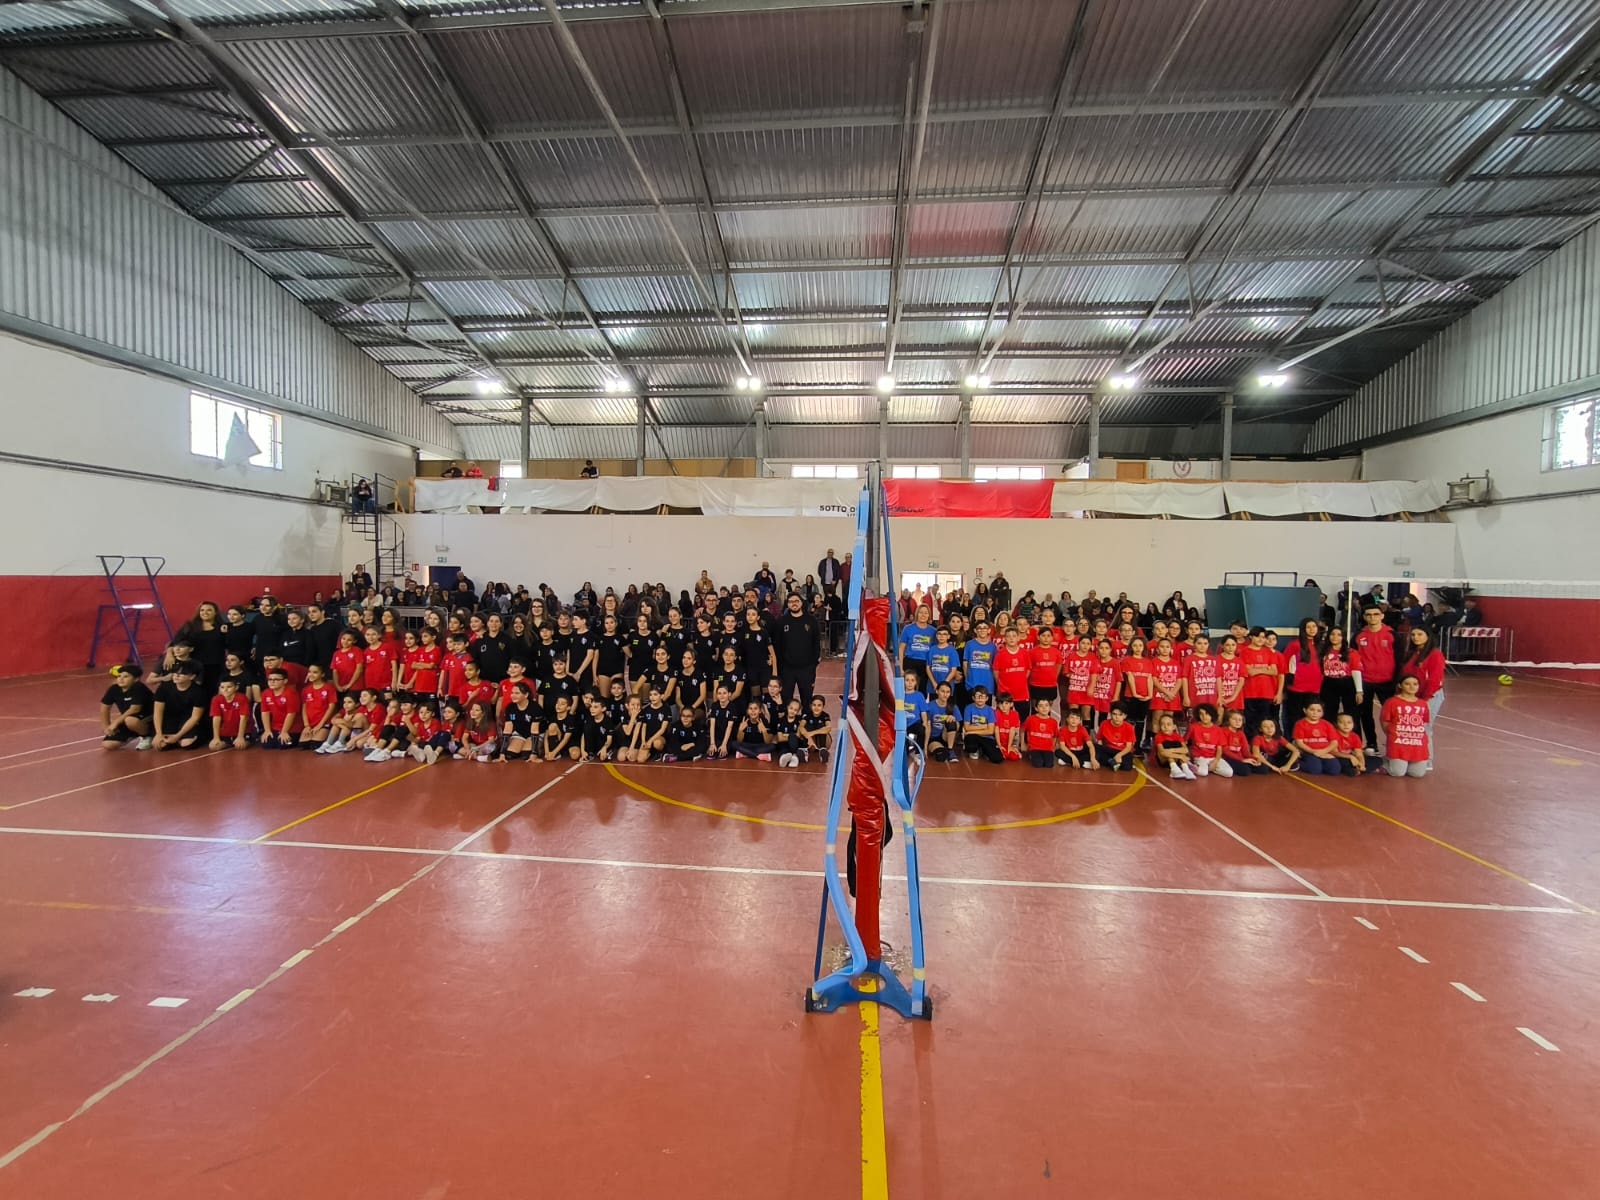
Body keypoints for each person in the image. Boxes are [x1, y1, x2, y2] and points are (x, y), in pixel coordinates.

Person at [1399, 628, 1446, 770]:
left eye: (1420, 634)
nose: (1415, 637)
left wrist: (1425, 700)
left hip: (1429, 697)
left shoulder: (1435, 655)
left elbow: (1435, 679)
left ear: (1428, 636)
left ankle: (1427, 761)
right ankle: (1412, 756)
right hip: (1411, 696)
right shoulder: (1412, 654)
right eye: (1413, 634)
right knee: (1411, 728)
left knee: (1424, 728)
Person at [1353, 604, 1398, 755]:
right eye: (1369, 615)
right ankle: (1371, 743)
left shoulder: (1392, 634)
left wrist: (1397, 680)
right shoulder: (1359, 635)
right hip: (1365, 682)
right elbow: (1352, 658)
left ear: (1382, 616)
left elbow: (1400, 659)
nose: (1372, 617)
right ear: (1365, 617)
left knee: (1391, 716)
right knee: (1365, 714)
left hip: (1387, 682)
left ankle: (1394, 744)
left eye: (1376, 614)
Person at [1380, 674, 1432, 778]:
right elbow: (1385, 722)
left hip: (1417, 744)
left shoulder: (1423, 703)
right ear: (1400, 686)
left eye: (1415, 684)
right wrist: (1393, 735)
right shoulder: (1391, 702)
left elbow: (1424, 722)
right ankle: (1384, 761)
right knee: (1397, 773)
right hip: (1399, 743)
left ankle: (1404, 763)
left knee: (1417, 774)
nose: (1412, 687)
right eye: (1407, 684)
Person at [151, 662, 206, 750]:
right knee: (161, 745)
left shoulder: (198, 692)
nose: (177, 676)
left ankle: (191, 737)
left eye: (182, 674)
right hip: (170, 718)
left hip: (187, 719)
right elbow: (158, 712)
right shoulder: (164, 688)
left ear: (192, 677)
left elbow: (195, 717)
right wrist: (158, 734)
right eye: (175, 673)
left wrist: (177, 736)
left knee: (186, 744)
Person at [101, 665, 154, 749]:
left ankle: (147, 736)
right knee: (108, 744)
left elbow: (135, 709)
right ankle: (134, 733)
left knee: (130, 720)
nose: (121, 679)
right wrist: (107, 726)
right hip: (129, 719)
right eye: (119, 676)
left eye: (126, 676)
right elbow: (105, 707)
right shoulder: (114, 689)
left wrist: (115, 723)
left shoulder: (139, 688)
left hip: (149, 719)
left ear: (136, 679)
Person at [1291, 700, 1340, 775]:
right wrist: (1313, 751)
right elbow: (1299, 743)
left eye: (1319, 711)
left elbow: (1334, 742)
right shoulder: (1300, 724)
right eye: (1312, 710)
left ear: (1322, 713)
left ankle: (1319, 763)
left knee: (1334, 770)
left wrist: (1324, 751)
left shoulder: (1327, 724)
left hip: (1324, 752)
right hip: (1308, 752)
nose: (1315, 713)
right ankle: (1297, 763)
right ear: (1305, 710)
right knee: (1315, 770)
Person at [1150, 713, 1194, 780]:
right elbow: (1162, 752)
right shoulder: (1158, 736)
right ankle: (1174, 769)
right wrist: (1180, 756)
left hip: (1176, 758)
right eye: (1162, 724)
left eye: (1168, 724)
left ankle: (1185, 768)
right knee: (1167, 744)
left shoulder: (1177, 736)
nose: (1165, 727)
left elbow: (1186, 750)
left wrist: (1172, 751)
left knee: (1177, 745)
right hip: (1163, 760)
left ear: (1174, 726)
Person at [1097, 704, 1137, 771]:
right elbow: (1099, 740)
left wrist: (1119, 755)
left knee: (1127, 767)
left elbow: (1128, 747)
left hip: (1122, 751)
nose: (1117, 717)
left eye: (1120, 715)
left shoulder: (1129, 727)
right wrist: (1099, 751)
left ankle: (1110, 761)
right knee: (1095, 747)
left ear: (1125, 716)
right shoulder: (1104, 723)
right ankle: (1110, 761)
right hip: (1109, 749)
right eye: (1114, 714)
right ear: (1111, 714)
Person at [1022, 699, 1059, 769]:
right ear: (1036, 708)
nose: (1044, 708)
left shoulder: (1053, 722)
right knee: (1038, 764)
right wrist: (1023, 744)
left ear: (1050, 708)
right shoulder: (1030, 719)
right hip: (1035, 747)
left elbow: (1055, 736)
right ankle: (1031, 755)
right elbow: (1022, 730)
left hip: (1047, 748)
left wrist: (1053, 747)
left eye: (1046, 705)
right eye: (1041, 706)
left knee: (1049, 765)